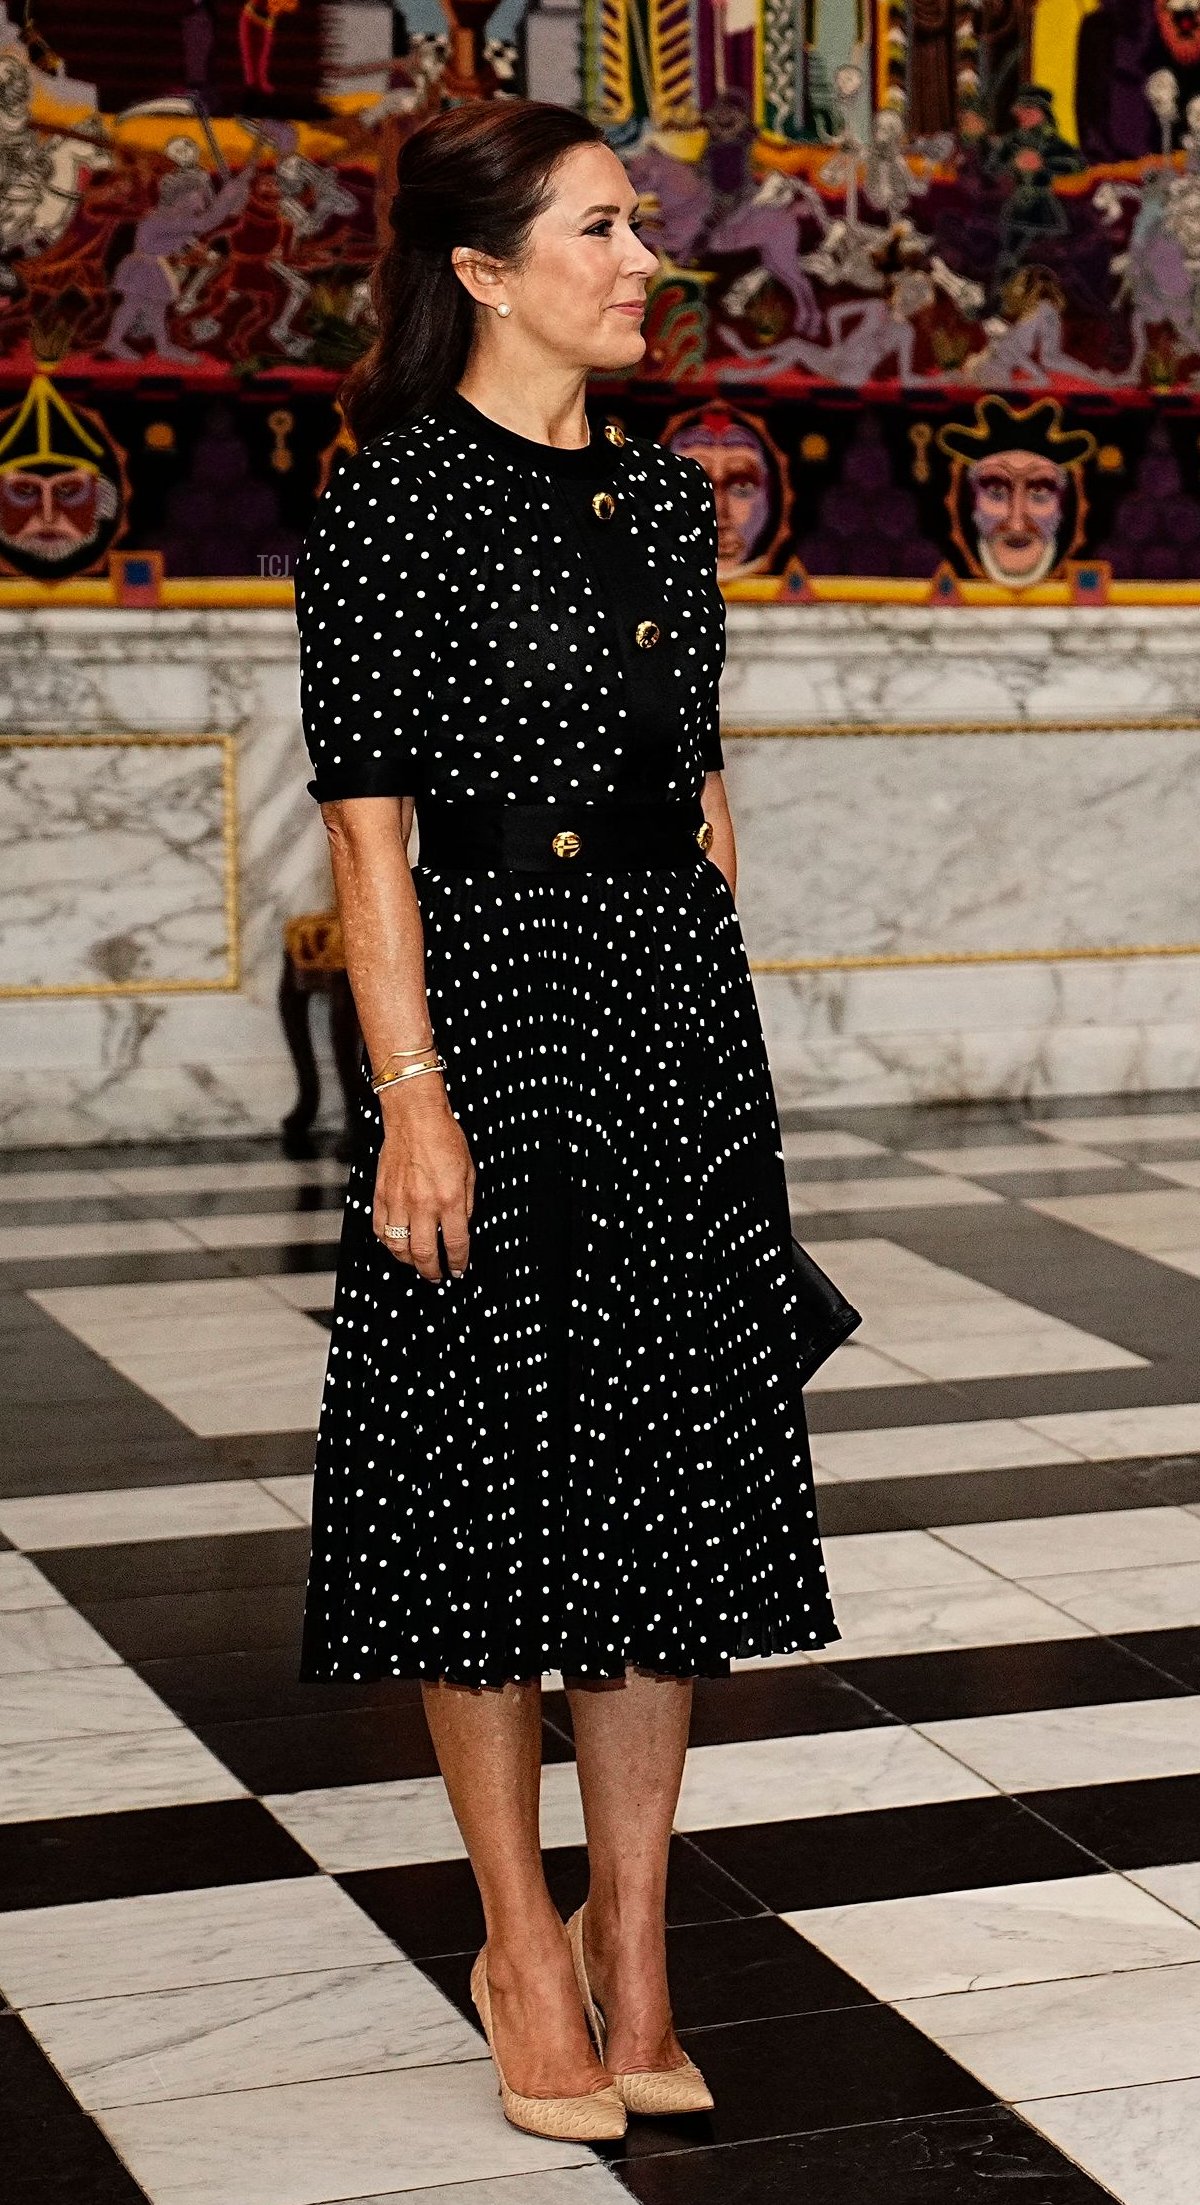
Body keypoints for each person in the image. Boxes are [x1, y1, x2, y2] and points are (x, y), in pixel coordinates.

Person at [293, 97, 840, 2144]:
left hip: (663, 1008)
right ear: (484, 272)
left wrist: (718, 1027)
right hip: (492, 1010)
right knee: (486, 1479)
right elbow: (367, 844)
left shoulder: (668, 499)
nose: (645, 264)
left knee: (667, 1493)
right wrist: (410, 1103)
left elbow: (697, 781)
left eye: (642, 231)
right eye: (605, 230)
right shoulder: (389, 506)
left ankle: (641, 1941)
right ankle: (517, 1935)